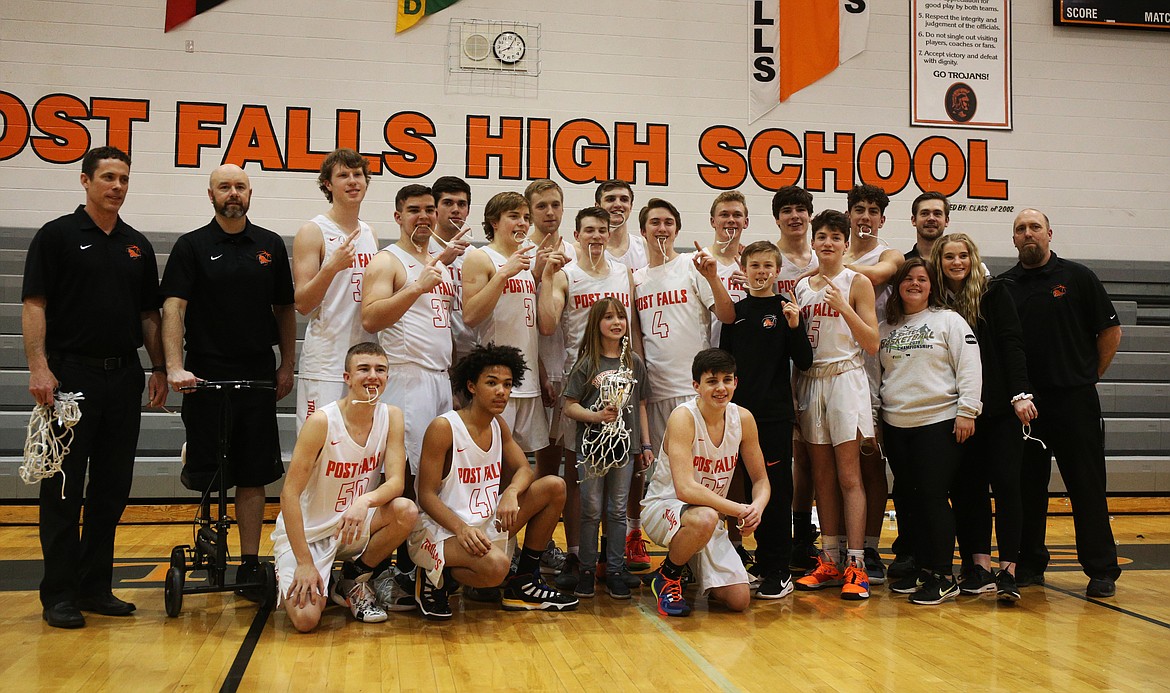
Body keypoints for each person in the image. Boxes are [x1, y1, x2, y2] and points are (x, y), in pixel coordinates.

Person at [22, 146, 167, 629]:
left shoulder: (136, 244)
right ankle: (59, 593)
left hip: (122, 376)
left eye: (124, 178)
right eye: (108, 177)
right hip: (69, 376)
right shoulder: (57, 236)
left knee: (111, 488)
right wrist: (38, 367)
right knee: (63, 487)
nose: (117, 186)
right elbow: (35, 303)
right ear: (85, 181)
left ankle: (94, 586)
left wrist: (161, 368)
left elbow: (150, 315)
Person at [162, 164, 295, 599]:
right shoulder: (192, 246)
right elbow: (174, 309)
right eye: (225, 187)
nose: (232, 193)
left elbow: (284, 311)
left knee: (254, 474)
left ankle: (250, 562)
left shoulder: (270, 245)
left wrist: (286, 364)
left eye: (240, 186)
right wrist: (173, 366)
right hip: (205, 371)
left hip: (257, 371)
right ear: (211, 195)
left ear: (250, 193)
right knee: (211, 469)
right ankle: (208, 537)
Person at [1000, 209, 1122, 598]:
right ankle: (1030, 564)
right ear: (1013, 239)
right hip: (1025, 406)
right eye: (1021, 229)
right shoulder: (1003, 286)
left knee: (1086, 486)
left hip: (1074, 401)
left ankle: (1101, 569)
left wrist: (1089, 377)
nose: (1028, 233)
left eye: (1035, 227)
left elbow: (1110, 331)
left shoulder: (1079, 277)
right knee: (1026, 488)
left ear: (1050, 233)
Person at [409, 344, 580, 619]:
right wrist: (462, 529)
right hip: (441, 529)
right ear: (472, 386)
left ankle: (525, 581)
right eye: (492, 383)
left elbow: (524, 468)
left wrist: (511, 492)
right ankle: (433, 577)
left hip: (483, 524)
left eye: (507, 384)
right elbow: (426, 495)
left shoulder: (497, 424)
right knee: (497, 568)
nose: (501, 391)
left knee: (554, 486)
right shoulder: (444, 427)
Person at [272, 343, 418, 631]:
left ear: (387, 377)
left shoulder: (393, 417)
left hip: (353, 524)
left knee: (406, 511)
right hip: (309, 532)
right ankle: (306, 571)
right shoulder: (322, 422)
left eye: (380, 370)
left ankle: (353, 579)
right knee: (306, 620)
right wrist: (303, 562)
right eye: (363, 369)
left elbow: (397, 483)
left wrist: (364, 502)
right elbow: (288, 493)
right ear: (347, 378)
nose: (373, 376)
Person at [361, 183, 461, 588]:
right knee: (406, 477)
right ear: (398, 216)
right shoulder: (388, 261)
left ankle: (423, 566)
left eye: (429, 210)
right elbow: (370, 318)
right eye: (414, 209)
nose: (423, 216)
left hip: (439, 378)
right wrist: (417, 286)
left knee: (437, 478)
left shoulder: (442, 260)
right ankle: (388, 569)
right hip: (407, 377)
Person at [932, 233, 1036, 602]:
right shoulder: (935, 301)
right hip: (958, 412)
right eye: (949, 257)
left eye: (963, 256)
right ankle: (979, 566)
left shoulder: (994, 293)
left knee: (1008, 486)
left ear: (972, 259)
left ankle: (1008, 569)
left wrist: (1020, 394)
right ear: (939, 262)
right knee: (967, 490)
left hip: (998, 410)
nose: (956, 262)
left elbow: (1012, 344)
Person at [537, 206, 639, 587]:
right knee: (580, 477)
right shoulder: (567, 274)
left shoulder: (622, 273)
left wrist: (635, 369)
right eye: (589, 230)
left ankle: (612, 564)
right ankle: (579, 557)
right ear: (576, 235)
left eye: (602, 230)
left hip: (621, 380)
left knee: (618, 478)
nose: (596, 235)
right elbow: (548, 324)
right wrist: (547, 276)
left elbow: (633, 331)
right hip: (581, 381)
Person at [878, 258, 982, 605]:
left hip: (938, 421)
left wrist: (967, 411)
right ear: (898, 286)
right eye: (908, 279)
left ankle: (942, 574)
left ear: (931, 285)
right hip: (896, 424)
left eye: (922, 279)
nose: (915, 284)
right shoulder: (885, 326)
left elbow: (969, 367)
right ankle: (922, 567)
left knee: (933, 497)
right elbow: (878, 377)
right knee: (907, 498)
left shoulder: (948, 320)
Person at [642, 349, 771, 616]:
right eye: (712, 381)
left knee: (739, 599)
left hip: (706, 517)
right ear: (696, 386)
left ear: (736, 382)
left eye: (727, 379)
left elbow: (761, 480)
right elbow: (685, 489)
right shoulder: (683, 417)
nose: (721, 387)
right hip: (665, 507)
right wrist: (738, 510)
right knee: (706, 517)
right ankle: (668, 575)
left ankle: (686, 563)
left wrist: (756, 508)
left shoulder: (743, 419)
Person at [791, 210, 879, 600]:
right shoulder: (800, 286)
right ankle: (829, 558)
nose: (827, 243)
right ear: (813, 242)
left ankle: (856, 564)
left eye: (834, 237)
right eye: (821, 236)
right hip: (811, 384)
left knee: (849, 476)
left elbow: (873, 342)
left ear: (846, 244)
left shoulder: (857, 282)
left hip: (846, 378)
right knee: (821, 477)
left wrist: (844, 306)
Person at [719, 241, 813, 599]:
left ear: (777, 271)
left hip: (773, 418)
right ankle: (752, 561)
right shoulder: (735, 313)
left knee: (774, 491)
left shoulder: (786, 309)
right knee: (735, 489)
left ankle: (778, 568)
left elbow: (804, 361)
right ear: (745, 269)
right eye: (754, 265)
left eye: (767, 266)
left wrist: (794, 326)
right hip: (736, 418)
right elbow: (725, 363)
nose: (760, 272)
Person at [562, 298, 653, 599]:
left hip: (623, 450)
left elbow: (640, 406)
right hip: (591, 450)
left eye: (621, 317)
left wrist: (646, 444)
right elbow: (568, 406)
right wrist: (596, 416)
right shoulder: (587, 363)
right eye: (609, 317)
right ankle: (587, 570)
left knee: (616, 511)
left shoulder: (633, 362)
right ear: (596, 324)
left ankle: (614, 569)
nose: (617, 322)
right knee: (590, 509)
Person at [842, 183, 904, 585]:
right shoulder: (830, 252)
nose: (865, 216)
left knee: (870, 458)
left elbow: (881, 275)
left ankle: (869, 546)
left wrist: (826, 266)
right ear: (849, 214)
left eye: (872, 211)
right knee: (834, 465)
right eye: (859, 209)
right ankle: (836, 545)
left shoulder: (889, 254)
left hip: (876, 367)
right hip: (832, 367)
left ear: (882, 219)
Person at [292, 148, 378, 432]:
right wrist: (332, 267)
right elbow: (303, 304)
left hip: (363, 360)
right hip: (327, 361)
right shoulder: (312, 231)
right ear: (328, 184)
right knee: (318, 450)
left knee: (356, 449)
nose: (353, 181)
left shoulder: (370, 233)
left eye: (358, 175)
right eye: (343, 175)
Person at [461, 192, 549, 456]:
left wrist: (542, 375)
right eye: (514, 216)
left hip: (529, 377)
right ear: (494, 222)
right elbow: (470, 316)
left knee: (525, 460)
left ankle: (514, 500)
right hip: (497, 378)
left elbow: (527, 325)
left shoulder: (527, 262)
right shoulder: (480, 257)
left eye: (525, 218)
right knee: (492, 457)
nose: (522, 223)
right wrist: (503, 274)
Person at [525, 179, 578, 575]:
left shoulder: (576, 252)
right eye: (541, 206)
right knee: (528, 464)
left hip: (571, 371)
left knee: (560, 463)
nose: (549, 211)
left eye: (555, 204)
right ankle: (520, 544)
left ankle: (546, 545)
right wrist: (541, 369)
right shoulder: (522, 252)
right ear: (529, 211)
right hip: (533, 372)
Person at [771, 186, 819, 575]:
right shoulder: (766, 258)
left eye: (800, 210)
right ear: (777, 219)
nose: (794, 216)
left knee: (808, 454)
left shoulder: (824, 256)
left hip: (814, 362)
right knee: (783, 454)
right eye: (786, 210)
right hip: (775, 366)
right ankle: (777, 534)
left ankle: (804, 531)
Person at [430, 176, 475, 365]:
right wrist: (443, 263)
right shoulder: (423, 250)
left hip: (473, 347)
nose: (456, 209)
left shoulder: (475, 255)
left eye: (461, 204)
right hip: (436, 348)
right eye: (448, 203)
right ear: (435, 209)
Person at [703, 191, 749, 348]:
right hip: (711, 355)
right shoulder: (696, 261)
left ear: (746, 222)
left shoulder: (755, 265)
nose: (731, 220)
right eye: (724, 215)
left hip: (747, 352)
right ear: (712, 221)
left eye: (737, 215)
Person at [596, 180, 648, 269]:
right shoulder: (584, 248)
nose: (618, 204)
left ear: (631, 207)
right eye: (610, 199)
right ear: (598, 207)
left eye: (624, 199)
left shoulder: (645, 247)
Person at [904, 192, 950, 260]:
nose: (931, 218)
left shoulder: (955, 265)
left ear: (946, 221)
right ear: (914, 220)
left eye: (937, 214)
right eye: (924, 213)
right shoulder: (902, 265)